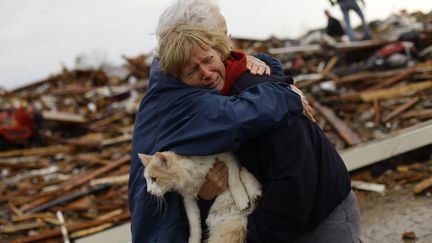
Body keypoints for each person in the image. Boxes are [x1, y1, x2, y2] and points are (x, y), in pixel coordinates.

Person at [157, 22, 361, 243]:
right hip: (287, 221)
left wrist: (255, 233)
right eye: (193, 71)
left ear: (220, 52)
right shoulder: (209, 110)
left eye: (208, 60)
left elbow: (294, 177)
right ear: (180, 81)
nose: (206, 73)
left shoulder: (257, 92)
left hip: (322, 216)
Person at [128, 0, 310, 242]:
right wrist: (286, 94)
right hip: (166, 231)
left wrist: (255, 61)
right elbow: (238, 116)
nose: (227, 46)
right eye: (220, 35)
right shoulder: (183, 98)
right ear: (189, 38)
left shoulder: (167, 81)